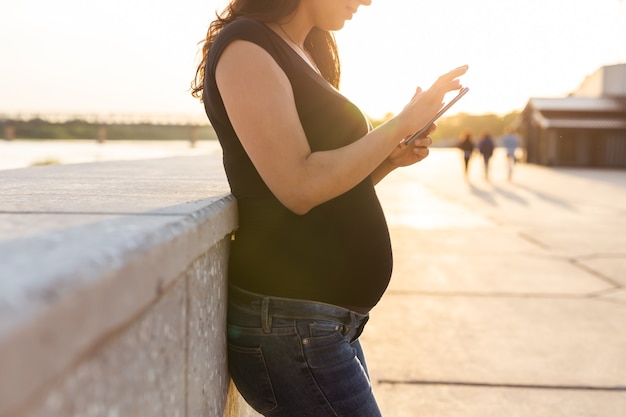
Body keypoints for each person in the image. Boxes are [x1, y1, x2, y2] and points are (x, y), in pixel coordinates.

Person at [191, 1, 468, 415]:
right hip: (291, 323)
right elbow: (297, 186)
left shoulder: (305, 49)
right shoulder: (245, 46)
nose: (367, 1)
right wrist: (404, 120)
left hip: (320, 325)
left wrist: (386, 160)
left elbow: (325, 190)